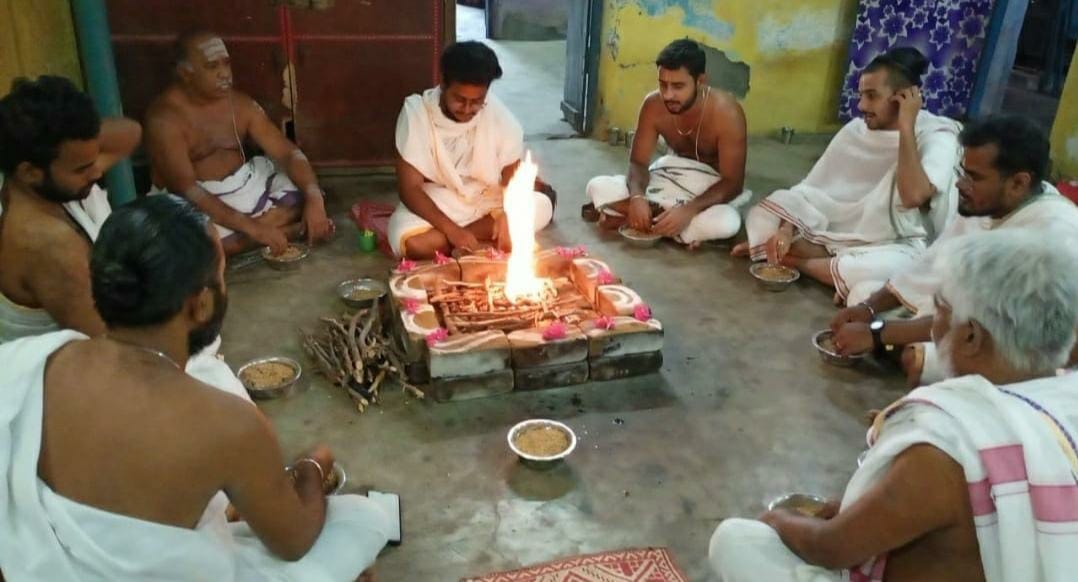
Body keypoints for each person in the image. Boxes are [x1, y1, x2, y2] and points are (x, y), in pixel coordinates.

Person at [0, 195, 391, 580]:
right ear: (200, 304)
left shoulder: (38, 360)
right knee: (362, 519)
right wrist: (310, 466)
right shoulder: (226, 421)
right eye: (221, 276)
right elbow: (293, 541)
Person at [710, 228, 1078, 582]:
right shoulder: (1066, 403)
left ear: (969, 337)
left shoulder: (946, 447)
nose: (933, 325)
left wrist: (778, 521)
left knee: (736, 541)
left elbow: (833, 548)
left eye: (939, 311)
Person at [0, 75, 245, 397]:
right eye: (82, 168)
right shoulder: (50, 246)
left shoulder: (44, 184)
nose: (98, 171)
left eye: (94, 158)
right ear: (30, 171)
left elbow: (130, 133)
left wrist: (70, 133)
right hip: (55, 386)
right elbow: (117, 352)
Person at [829, 115, 1078, 387]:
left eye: (973, 177)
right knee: (863, 293)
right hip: (963, 326)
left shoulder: (1054, 235)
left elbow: (979, 324)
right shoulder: (986, 205)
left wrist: (877, 332)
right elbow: (927, 267)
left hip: (1023, 355)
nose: (960, 184)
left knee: (921, 359)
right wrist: (868, 309)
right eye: (962, 172)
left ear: (1018, 183)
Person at [732, 47, 962, 302]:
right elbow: (811, 190)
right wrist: (786, 231)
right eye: (861, 95)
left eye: (872, 96)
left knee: (876, 269)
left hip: (895, 244)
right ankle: (812, 258)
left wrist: (906, 127)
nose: (861, 106)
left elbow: (913, 196)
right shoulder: (855, 130)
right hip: (835, 231)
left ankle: (794, 260)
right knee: (763, 215)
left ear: (903, 97)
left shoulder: (936, 135)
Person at [144, 30, 334, 256]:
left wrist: (314, 199)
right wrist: (253, 227)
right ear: (186, 73)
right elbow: (187, 190)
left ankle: (258, 235)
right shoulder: (165, 119)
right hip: (200, 200)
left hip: (245, 187)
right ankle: (288, 231)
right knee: (199, 244)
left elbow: (288, 153)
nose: (224, 74)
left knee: (305, 195)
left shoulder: (241, 104)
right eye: (212, 67)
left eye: (226, 64)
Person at [389, 40, 554, 259]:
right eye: (459, 99)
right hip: (440, 202)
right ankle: (478, 241)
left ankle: (467, 242)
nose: (467, 109)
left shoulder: (497, 115)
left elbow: (510, 174)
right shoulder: (416, 113)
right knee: (416, 245)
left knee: (540, 206)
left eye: (477, 101)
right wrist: (451, 230)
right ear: (443, 84)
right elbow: (409, 190)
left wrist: (508, 211)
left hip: (486, 199)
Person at [585, 38, 750, 247]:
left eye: (678, 86)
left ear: (700, 81)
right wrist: (637, 198)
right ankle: (668, 224)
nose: (668, 94)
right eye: (663, 85)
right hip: (669, 176)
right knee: (597, 185)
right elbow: (638, 163)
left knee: (727, 223)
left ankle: (648, 218)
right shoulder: (653, 105)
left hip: (709, 188)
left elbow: (733, 183)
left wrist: (689, 210)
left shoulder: (727, 113)